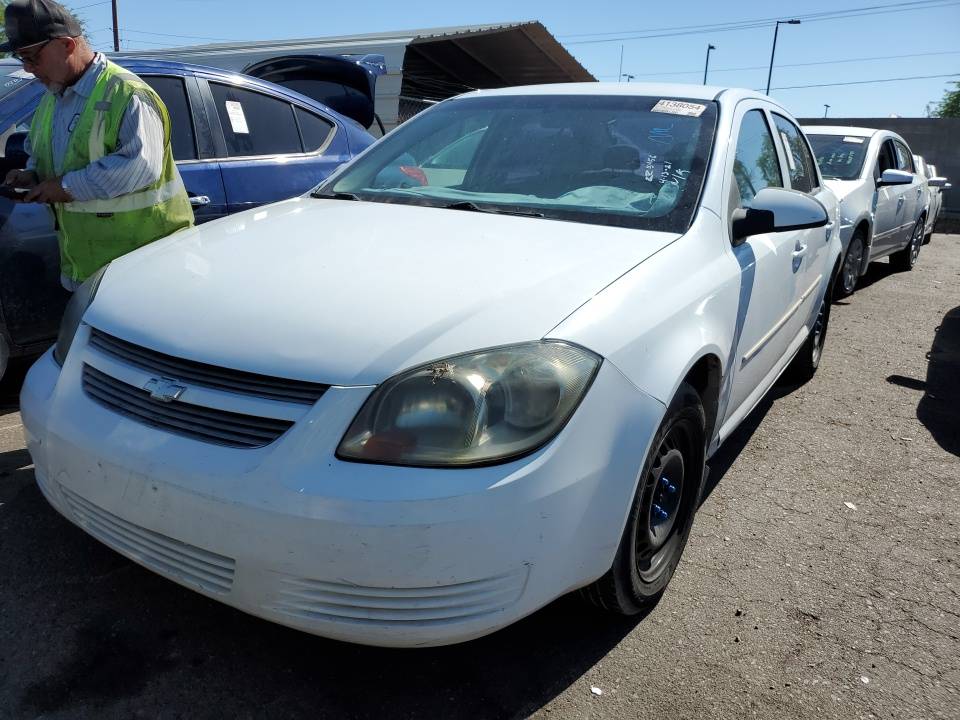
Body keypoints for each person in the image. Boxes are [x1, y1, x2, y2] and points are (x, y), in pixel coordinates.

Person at [1, 0, 194, 291]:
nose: (28, 69)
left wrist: (65, 187)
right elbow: (45, 155)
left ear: (66, 45)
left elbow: (138, 168)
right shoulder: (51, 100)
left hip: (145, 271)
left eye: (32, 58)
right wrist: (32, 175)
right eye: (21, 59)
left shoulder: (127, 93)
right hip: (86, 269)